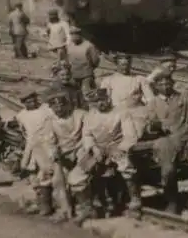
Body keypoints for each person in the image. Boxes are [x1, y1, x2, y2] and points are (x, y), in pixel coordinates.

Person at [70, 88, 140, 222]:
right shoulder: (91, 115)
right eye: (95, 102)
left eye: (102, 100)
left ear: (108, 99)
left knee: (127, 167)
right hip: (98, 149)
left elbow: (130, 135)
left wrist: (121, 148)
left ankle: (135, 203)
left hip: (116, 147)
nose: (99, 104)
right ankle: (88, 209)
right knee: (75, 177)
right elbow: (87, 135)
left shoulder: (121, 112)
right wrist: (93, 148)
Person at [146, 71, 188, 215]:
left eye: (168, 83)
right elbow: (149, 126)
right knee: (168, 171)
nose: (165, 87)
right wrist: (154, 125)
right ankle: (172, 202)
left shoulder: (186, 98)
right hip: (167, 140)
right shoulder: (153, 103)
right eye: (161, 84)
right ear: (156, 87)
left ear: (173, 84)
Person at [13, 90, 56, 216]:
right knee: (32, 175)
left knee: (46, 174)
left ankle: (47, 205)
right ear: (23, 103)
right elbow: (24, 133)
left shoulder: (46, 110)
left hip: (46, 145)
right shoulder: (21, 115)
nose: (30, 103)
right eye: (27, 102)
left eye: (32, 100)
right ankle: (39, 201)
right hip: (31, 146)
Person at [47, 90, 88, 222]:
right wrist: (53, 152)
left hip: (82, 149)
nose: (58, 110)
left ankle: (85, 209)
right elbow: (50, 140)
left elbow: (88, 135)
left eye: (61, 106)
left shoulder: (80, 115)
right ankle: (65, 210)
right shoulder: (51, 120)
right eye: (55, 108)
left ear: (66, 105)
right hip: (63, 153)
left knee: (77, 179)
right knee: (58, 180)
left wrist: (78, 150)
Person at [100, 53, 154, 139]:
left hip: (136, 113)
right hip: (115, 113)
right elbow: (105, 100)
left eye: (127, 64)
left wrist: (149, 111)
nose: (124, 67)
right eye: (122, 64)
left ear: (130, 64)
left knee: (135, 133)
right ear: (117, 64)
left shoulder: (139, 79)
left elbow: (151, 99)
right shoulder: (108, 80)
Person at [67, 27, 101, 93]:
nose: (73, 37)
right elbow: (68, 59)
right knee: (75, 94)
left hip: (86, 75)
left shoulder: (89, 46)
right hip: (74, 75)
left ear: (79, 35)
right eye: (72, 35)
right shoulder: (70, 45)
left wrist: (89, 69)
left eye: (75, 34)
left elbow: (95, 61)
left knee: (86, 93)